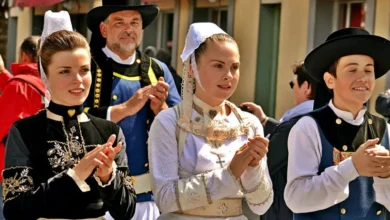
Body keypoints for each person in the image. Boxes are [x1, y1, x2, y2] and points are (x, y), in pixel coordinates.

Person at [2, 11, 136, 220]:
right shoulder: (24, 131)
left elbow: (126, 212)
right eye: (65, 71)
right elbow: (14, 210)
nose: (78, 80)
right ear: (46, 75)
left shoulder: (109, 131)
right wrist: (74, 176)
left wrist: (109, 177)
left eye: (84, 70)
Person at [148, 22, 273, 220]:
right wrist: (229, 174)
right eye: (218, 66)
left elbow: (261, 206)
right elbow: (164, 198)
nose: (229, 76)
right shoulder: (170, 122)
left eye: (235, 67)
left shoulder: (249, 124)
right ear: (192, 69)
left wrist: (253, 168)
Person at [84, 1, 181, 219]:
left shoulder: (158, 69)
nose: (129, 29)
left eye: (134, 22)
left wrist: (161, 108)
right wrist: (125, 108)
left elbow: (182, 127)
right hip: (98, 199)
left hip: (148, 198)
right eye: (120, 22)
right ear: (104, 29)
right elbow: (71, 119)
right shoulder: (87, 67)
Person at [284, 28, 390, 219]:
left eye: (368, 70)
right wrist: (352, 167)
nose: (363, 78)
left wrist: (386, 177)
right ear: (330, 80)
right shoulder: (308, 127)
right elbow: (296, 198)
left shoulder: (386, 130)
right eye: (352, 70)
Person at [241, 62, 317, 220]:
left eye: (293, 84)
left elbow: (264, 164)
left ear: (307, 87)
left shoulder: (297, 124)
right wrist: (265, 121)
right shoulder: (320, 119)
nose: (292, 90)